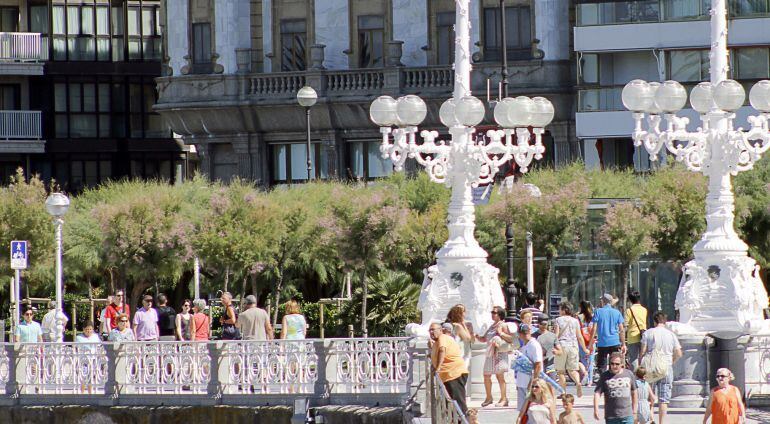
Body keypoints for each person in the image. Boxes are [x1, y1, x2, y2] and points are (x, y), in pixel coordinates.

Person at [639, 311, 682, 424]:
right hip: (666, 368)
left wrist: (640, 364)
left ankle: (650, 419)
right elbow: (679, 353)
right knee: (664, 399)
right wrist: (671, 361)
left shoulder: (648, 333)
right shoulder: (671, 335)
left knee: (649, 396)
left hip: (650, 368)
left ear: (654, 321)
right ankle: (662, 422)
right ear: (665, 322)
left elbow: (642, 351)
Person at [475, 305, 514, 407]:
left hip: (499, 353)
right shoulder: (492, 326)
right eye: (492, 312)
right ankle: (489, 397)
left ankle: (504, 398)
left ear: (500, 314)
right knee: (486, 375)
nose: (492, 314)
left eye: (494, 312)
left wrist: (501, 333)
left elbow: (510, 339)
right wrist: (476, 336)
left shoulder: (503, 325)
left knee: (499, 376)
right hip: (490, 353)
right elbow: (484, 339)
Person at [429, 322, 469, 414]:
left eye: (433, 330)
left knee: (458, 402)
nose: (431, 332)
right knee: (449, 402)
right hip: (447, 375)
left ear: (440, 330)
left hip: (454, 374)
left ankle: (464, 420)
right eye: (430, 330)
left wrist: (438, 368)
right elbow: (436, 354)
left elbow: (442, 351)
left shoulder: (442, 338)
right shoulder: (437, 342)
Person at [554, 301, 587, 398]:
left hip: (562, 346)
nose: (559, 311)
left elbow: (556, 335)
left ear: (564, 310)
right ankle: (578, 382)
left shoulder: (558, 320)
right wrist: (585, 349)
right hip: (573, 346)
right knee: (573, 370)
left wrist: (554, 345)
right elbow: (579, 336)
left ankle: (563, 392)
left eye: (560, 309)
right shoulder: (575, 321)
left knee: (561, 371)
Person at [594, 352, 638, 424]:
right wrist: (596, 409)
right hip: (611, 416)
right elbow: (597, 393)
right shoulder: (604, 376)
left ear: (622, 364)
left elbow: (634, 392)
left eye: (617, 364)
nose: (614, 366)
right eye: (612, 363)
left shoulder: (629, 374)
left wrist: (635, 411)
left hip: (627, 415)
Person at [590, 294, 626, 374]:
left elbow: (594, 329)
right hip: (615, 341)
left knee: (601, 365)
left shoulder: (598, 312)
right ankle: (612, 379)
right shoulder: (617, 312)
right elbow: (621, 330)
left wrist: (590, 342)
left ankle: (604, 380)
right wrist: (623, 344)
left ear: (603, 301)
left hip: (602, 342)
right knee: (614, 364)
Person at [515, 322, 544, 411]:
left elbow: (538, 364)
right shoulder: (525, 346)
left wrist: (533, 382)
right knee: (523, 411)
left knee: (532, 410)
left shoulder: (534, 345)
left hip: (530, 384)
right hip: (522, 383)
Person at [625, 291, 647, 370]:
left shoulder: (629, 310)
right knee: (642, 356)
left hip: (632, 337)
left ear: (631, 300)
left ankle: (635, 377)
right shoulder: (644, 310)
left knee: (633, 358)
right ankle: (642, 375)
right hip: (643, 335)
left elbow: (626, 324)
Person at [578, 301, 595, 385]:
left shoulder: (578, 317)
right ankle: (590, 380)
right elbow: (594, 329)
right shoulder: (592, 316)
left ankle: (583, 377)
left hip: (582, 341)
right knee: (590, 361)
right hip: (591, 340)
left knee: (582, 360)